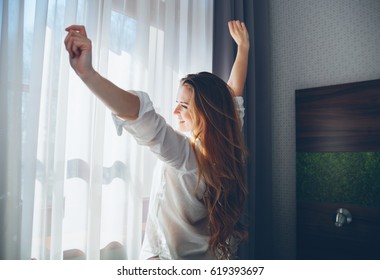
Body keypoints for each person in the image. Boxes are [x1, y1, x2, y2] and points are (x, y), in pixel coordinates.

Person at [64, 20, 250, 260]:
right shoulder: (227, 143)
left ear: (209, 113)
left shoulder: (187, 158)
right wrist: (243, 48)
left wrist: (88, 74)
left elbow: (141, 117)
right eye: (176, 103)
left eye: (184, 106)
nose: (175, 113)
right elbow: (233, 97)